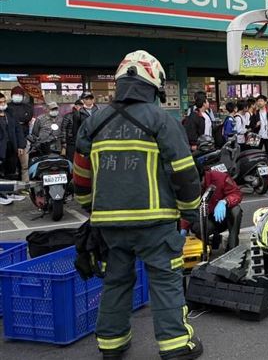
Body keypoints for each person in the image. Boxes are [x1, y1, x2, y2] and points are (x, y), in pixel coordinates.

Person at [74, 50, 203, 359]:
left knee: (116, 282)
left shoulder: (93, 123)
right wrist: (190, 211)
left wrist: (92, 209)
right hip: (156, 224)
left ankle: (111, 344)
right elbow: (184, 173)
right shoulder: (162, 121)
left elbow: (81, 177)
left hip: (109, 226)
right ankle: (176, 346)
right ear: (153, 86)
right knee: (165, 281)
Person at [180, 168, 243, 252]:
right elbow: (187, 207)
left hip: (221, 217)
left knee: (236, 211)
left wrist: (225, 201)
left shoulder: (220, 177)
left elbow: (236, 193)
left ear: (203, 177)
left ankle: (232, 247)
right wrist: (183, 228)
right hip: (203, 219)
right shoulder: (188, 186)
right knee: (204, 227)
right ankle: (205, 247)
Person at [0, 93, 27, 205]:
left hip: (11, 146)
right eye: (0, 102)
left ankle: (10, 193)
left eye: (4, 101)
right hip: (1, 148)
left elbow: (18, 130)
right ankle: (2, 195)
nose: (3, 104)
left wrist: (21, 145)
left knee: (11, 171)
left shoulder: (10, 113)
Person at [7, 86, 33, 183]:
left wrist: (15, 121)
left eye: (19, 94)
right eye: (15, 94)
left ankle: (25, 185)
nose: (17, 96)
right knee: (10, 165)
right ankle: (9, 186)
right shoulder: (6, 107)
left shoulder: (27, 107)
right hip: (9, 140)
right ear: (11, 95)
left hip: (24, 139)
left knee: (24, 165)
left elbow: (27, 118)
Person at [249, 95, 268, 161]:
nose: (259, 102)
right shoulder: (255, 113)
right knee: (256, 153)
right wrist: (256, 125)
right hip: (257, 135)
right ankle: (257, 164)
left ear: (265, 102)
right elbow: (251, 125)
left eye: (261, 101)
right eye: (258, 101)